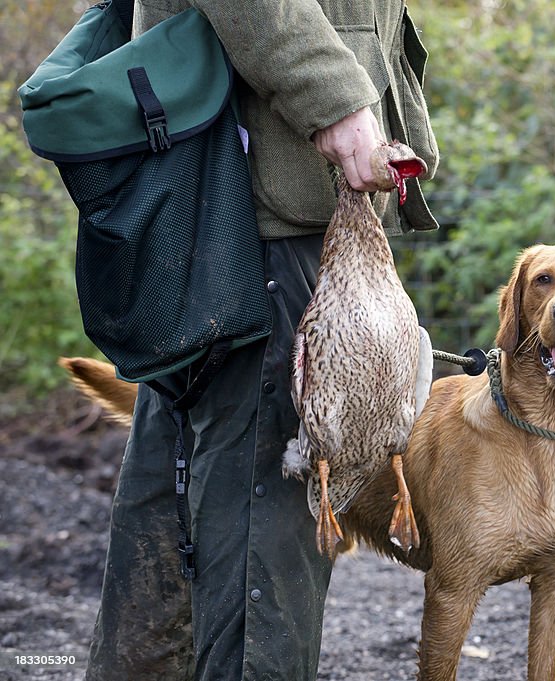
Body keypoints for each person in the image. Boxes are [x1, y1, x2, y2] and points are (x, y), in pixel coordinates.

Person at [84, 1, 439, 679]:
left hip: (243, 198)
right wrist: (333, 100)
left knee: (172, 497)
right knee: (263, 525)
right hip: (266, 202)